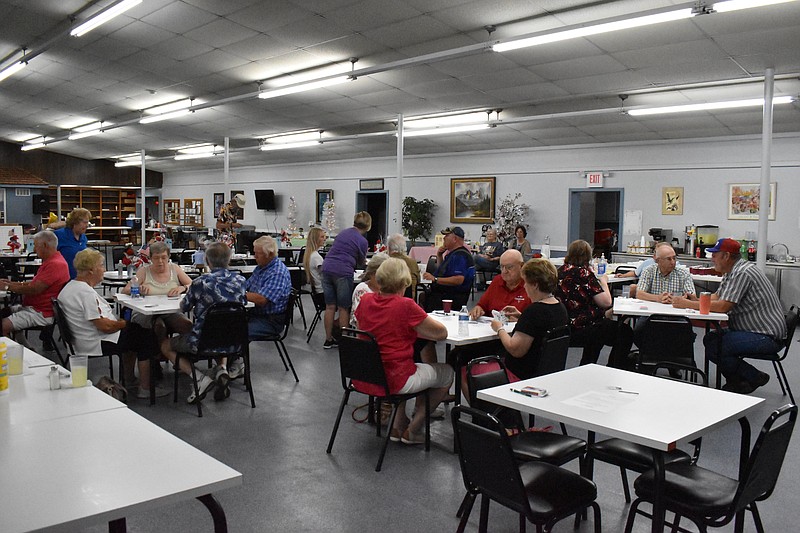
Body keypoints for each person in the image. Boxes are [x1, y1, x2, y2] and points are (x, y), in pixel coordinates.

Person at [354, 258, 452, 445]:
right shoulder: (406, 306)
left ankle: (398, 425)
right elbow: (441, 333)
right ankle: (413, 429)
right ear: (404, 282)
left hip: (366, 374)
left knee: (406, 361)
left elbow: (363, 333)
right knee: (447, 373)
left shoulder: (365, 301)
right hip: (394, 378)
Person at [673, 238, 785, 394]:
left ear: (726, 256)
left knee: (716, 346)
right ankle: (739, 381)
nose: (712, 258)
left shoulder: (742, 273)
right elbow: (718, 296)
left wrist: (686, 304)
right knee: (710, 339)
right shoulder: (732, 271)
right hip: (754, 330)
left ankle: (752, 377)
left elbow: (723, 306)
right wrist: (696, 299)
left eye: (715, 255)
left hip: (767, 336)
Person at [57, 249, 157, 395]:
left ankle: (129, 379)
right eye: (101, 265)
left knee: (134, 332)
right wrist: (123, 324)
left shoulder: (70, 287)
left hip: (81, 339)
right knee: (145, 337)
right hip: (95, 341)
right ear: (91, 270)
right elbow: (105, 326)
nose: (104, 269)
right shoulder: (85, 293)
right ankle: (146, 389)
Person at [160, 242, 248, 404]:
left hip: (203, 341)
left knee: (166, 345)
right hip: (234, 341)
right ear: (230, 259)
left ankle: (199, 378)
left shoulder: (201, 282)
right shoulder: (241, 281)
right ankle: (221, 369)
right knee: (222, 329)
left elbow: (184, 307)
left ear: (207, 260)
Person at [121, 241, 193, 398]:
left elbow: (190, 283)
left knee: (187, 325)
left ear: (168, 257)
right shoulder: (144, 271)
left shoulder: (175, 269)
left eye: (164, 258)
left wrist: (182, 288)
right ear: (150, 258)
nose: (160, 262)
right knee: (158, 327)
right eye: (156, 258)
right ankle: (158, 358)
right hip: (147, 312)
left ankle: (183, 359)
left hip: (169, 310)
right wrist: (139, 288)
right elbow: (125, 289)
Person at [555, 239, 633, 368]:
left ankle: (587, 365)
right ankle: (613, 367)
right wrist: (604, 282)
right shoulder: (584, 273)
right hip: (584, 325)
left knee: (602, 327)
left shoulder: (560, 271)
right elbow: (606, 302)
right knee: (625, 332)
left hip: (565, 325)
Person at [491, 258, 569, 380]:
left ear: (535, 285)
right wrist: (521, 317)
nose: (525, 286)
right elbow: (540, 327)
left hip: (521, 375)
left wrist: (499, 328)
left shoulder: (533, 311)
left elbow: (515, 349)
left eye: (526, 282)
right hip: (547, 372)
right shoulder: (560, 307)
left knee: (467, 369)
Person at [0, 231, 69, 342]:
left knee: (2, 326)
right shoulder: (52, 261)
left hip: (41, 313)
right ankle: (26, 348)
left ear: (45, 245)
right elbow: (33, 283)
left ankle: (12, 354)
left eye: (36, 245)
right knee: (4, 313)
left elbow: (34, 289)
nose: (34, 249)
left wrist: (8, 287)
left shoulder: (55, 264)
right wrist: (9, 284)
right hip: (35, 308)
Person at [321, 211, 371, 349]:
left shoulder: (343, 233)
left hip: (326, 268)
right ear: (368, 226)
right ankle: (345, 342)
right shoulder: (362, 241)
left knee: (330, 306)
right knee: (344, 308)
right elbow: (361, 261)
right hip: (343, 272)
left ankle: (328, 339)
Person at [246, 235, 291, 338]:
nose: (255, 256)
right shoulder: (261, 267)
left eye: (258, 254)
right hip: (256, 315)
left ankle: (233, 352)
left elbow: (262, 300)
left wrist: (239, 293)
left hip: (270, 320)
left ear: (269, 254)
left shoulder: (277, 273)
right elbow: (247, 285)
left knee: (236, 331)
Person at [421, 226, 475, 312]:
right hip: (445, 295)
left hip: (449, 299)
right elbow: (443, 271)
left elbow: (459, 279)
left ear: (454, 239)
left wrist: (435, 279)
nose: (444, 238)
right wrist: (439, 255)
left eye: (446, 236)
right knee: (423, 296)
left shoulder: (460, 256)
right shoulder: (453, 254)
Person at [350, 253, 389, 328]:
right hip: (368, 333)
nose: (385, 279)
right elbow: (360, 322)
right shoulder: (362, 290)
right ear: (372, 274)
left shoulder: (387, 289)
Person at [53, 207, 91, 279]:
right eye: (85, 222)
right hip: (63, 278)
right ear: (75, 222)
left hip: (80, 279)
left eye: (87, 222)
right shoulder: (59, 235)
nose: (87, 225)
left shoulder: (83, 237)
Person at [386, 233, 420, 300]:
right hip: (410, 300)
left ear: (389, 248)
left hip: (389, 301)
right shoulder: (413, 263)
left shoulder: (386, 262)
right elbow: (418, 280)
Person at [303, 227, 326, 294]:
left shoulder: (310, 255)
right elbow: (325, 274)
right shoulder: (316, 257)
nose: (324, 239)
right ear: (315, 239)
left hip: (317, 290)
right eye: (322, 237)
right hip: (322, 291)